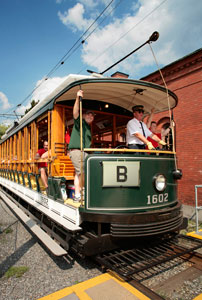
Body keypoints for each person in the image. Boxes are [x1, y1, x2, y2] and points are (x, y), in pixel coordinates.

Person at [68, 90, 95, 202]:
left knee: (78, 173)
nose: (90, 116)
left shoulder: (89, 127)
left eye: (92, 115)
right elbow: (75, 112)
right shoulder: (80, 122)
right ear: (84, 115)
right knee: (81, 173)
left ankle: (78, 194)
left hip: (85, 152)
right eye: (88, 114)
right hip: (77, 151)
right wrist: (78, 98)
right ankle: (81, 194)